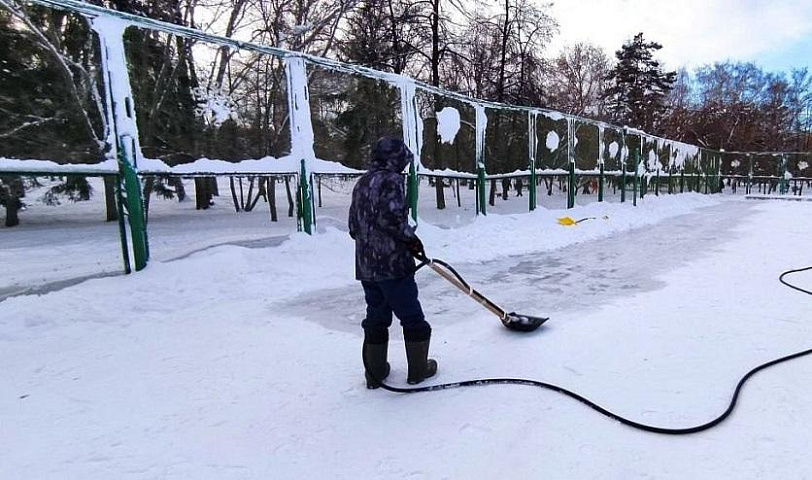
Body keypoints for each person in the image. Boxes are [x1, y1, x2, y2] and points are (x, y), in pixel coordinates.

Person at [348, 136, 438, 388]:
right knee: (411, 315)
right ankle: (419, 370)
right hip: (392, 264)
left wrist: (370, 245)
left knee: (376, 316)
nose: (404, 166)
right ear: (395, 158)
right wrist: (411, 240)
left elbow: (353, 226)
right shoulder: (391, 180)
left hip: (366, 265)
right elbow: (392, 219)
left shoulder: (362, 182)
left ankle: (375, 374)